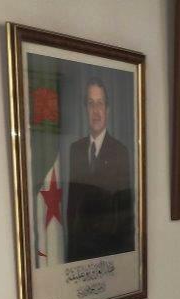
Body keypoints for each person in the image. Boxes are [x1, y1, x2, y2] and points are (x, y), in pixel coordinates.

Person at [66, 77, 134, 262]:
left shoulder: (120, 152)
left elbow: (124, 212)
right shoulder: (75, 149)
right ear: (85, 110)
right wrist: (70, 256)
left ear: (108, 110)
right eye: (90, 104)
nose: (96, 111)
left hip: (109, 252)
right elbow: (72, 208)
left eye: (100, 103)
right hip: (80, 253)